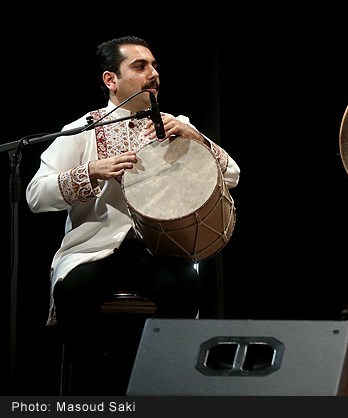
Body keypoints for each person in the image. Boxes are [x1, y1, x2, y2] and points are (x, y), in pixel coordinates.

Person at [25, 35, 240, 395]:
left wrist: (196, 139)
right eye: (140, 66)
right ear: (111, 79)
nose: (153, 74)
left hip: (158, 250)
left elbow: (232, 174)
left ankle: (161, 390)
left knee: (188, 288)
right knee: (75, 291)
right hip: (95, 250)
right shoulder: (83, 130)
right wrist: (91, 171)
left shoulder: (176, 125)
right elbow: (35, 195)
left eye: (154, 66)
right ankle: (94, 393)